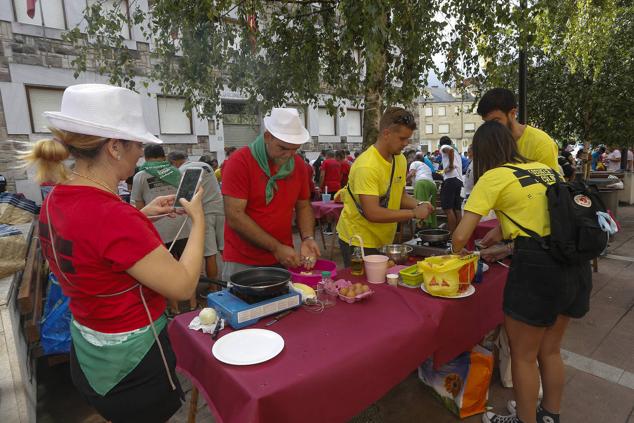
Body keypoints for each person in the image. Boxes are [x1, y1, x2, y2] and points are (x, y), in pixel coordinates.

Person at [23, 84, 204, 422]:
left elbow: (92, 246)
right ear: (115, 147)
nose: (140, 152)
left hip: (90, 355)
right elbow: (182, 287)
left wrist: (139, 215)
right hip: (133, 366)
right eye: (138, 144)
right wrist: (199, 221)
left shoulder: (56, 199)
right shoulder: (114, 217)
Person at [450, 121, 590, 423]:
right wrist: (503, 235)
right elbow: (544, 214)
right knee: (550, 350)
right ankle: (549, 415)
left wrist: (455, 253)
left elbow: (460, 237)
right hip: (573, 265)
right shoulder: (545, 169)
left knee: (524, 356)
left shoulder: (493, 177)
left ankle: (525, 420)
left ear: (483, 152)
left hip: (537, 271)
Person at [221, 108, 321, 278]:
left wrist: (308, 237)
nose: (289, 155)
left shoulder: (298, 165)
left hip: (283, 256)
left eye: (294, 149)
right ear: (267, 137)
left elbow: (303, 205)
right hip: (243, 260)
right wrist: (275, 247)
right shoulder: (239, 161)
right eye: (283, 148)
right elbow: (235, 216)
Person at [336, 107, 434, 267]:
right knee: (364, 288)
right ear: (386, 133)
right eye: (402, 139)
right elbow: (372, 212)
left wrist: (420, 204)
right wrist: (413, 213)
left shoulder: (400, 159)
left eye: (408, 139)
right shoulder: (367, 166)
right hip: (359, 241)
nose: (406, 144)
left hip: (384, 239)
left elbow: (400, 197)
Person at [477, 88, 559, 247]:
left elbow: (550, 197)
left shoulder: (541, 143)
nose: (491, 129)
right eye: (486, 124)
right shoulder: (494, 144)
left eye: (495, 121)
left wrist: (502, 232)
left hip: (537, 239)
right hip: (509, 232)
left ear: (512, 113)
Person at [132, 145, 191, 314]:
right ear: (163, 156)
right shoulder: (175, 172)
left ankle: (174, 310)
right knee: (187, 268)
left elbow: (140, 208)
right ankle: (193, 306)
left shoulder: (140, 176)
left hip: (159, 231)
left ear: (146, 157)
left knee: (168, 273)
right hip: (183, 226)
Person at [168, 151, 225, 287]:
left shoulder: (183, 170)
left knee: (210, 254)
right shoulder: (206, 165)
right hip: (220, 209)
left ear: (174, 163)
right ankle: (229, 282)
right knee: (224, 249)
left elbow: (185, 197)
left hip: (205, 214)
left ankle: (213, 288)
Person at [438, 136, 463, 233]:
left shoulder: (444, 147)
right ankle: (459, 233)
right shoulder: (457, 154)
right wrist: (445, 170)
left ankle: (452, 235)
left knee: (448, 209)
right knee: (456, 209)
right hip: (458, 180)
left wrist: (451, 165)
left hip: (451, 180)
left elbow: (450, 150)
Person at [409, 152, 437, 228]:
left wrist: (403, 181)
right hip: (433, 185)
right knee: (431, 208)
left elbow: (412, 173)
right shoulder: (426, 166)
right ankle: (433, 229)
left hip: (422, 184)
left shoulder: (414, 163)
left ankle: (422, 228)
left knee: (421, 206)